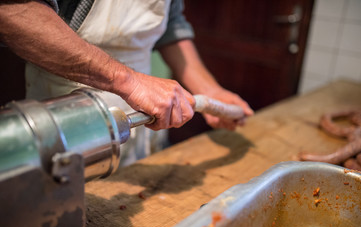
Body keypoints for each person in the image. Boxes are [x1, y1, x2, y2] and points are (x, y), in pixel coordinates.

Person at [0, 0, 253, 164]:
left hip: (144, 123)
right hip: (65, 119)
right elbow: (11, 11)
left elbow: (171, 27)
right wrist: (130, 82)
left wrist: (210, 91)